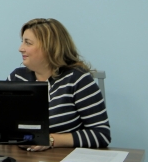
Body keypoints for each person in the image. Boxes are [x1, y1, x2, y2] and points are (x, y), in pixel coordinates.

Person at [9, 18, 111, 150]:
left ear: (49, 48)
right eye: (22, 42)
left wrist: (51, 140)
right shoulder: (16, 77)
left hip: (62, 159)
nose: (20, 49)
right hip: (22, 159)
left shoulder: (77, 79)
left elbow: (101, 134)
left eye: (28, 43)